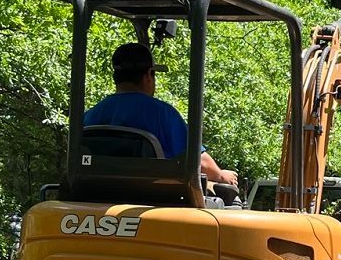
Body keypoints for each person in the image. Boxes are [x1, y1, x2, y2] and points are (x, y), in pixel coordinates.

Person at [84, 43, 238, 186]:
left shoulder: (90, 116)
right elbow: (199, 162)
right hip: (152, 197)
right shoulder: (163, 114)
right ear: (148, 75)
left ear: (116, 76)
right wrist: (221, 175)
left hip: (96, 193)